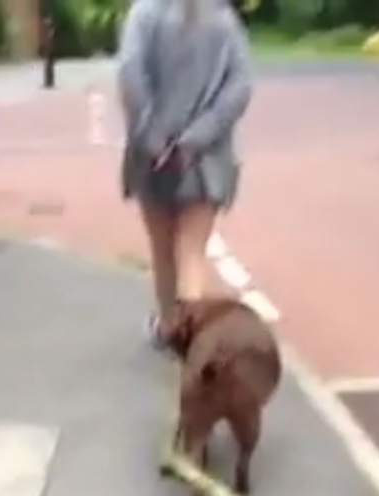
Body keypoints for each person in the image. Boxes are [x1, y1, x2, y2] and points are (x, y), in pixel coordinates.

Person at [116, 0, 253, 348]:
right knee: (192, 251)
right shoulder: (223, 19)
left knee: (162, 250)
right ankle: (189, 335)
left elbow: (130, 75)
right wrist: (196, 138)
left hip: (151, 157)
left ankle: (169, 325)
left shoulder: (144, 14)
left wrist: (153, 137)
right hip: (206, 159)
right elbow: (240, 87)